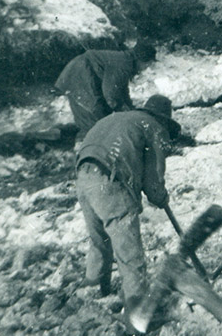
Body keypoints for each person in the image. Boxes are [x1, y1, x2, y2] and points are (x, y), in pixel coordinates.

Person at [74, 95, 180, 321]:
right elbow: (153, 178)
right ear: (163, 119)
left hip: (83, 176)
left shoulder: (119, 118)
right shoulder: (153, 127)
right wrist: (159, 196)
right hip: (110, 181)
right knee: (130, 253)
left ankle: (93, 285)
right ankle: (137, 314)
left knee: (100, 237)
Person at [54, 44, 156, 136]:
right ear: (141, 59)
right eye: (147, 64)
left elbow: (121, 90)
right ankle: (83, 149)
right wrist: (122, 111)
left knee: (95, 117)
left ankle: (65, 135)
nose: (146, 68)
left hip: (79, 75)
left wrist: (130, 108)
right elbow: (111, 95)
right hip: (79, 76)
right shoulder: (123, 64)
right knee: (94, 118)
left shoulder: (125, 62)